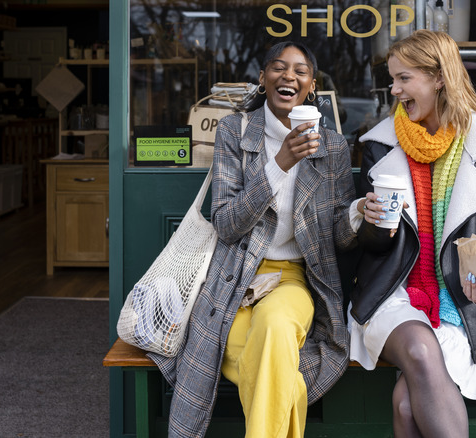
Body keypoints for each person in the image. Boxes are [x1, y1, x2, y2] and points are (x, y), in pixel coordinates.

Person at [147, 41, 359, 438]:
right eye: (278, 67)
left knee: (276, 325)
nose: (288, 76)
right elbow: (227, 223)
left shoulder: (331, 147)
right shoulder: (235, 131)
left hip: (294, 276)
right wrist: (280, 163)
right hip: (233, 278)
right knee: (276, 364)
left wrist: (360, 214)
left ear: (311, 87)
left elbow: (340, 238)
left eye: (300, 71)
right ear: (263, 79)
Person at [347, 30, 476, 437]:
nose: (394, 89)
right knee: (418, 348)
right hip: (393, 294)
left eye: (404, 78)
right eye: (393, 79)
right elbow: (371, 247)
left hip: (461, 304)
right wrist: (368, 219)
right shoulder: (380, 147)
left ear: (438, 78)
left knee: (405, 404)